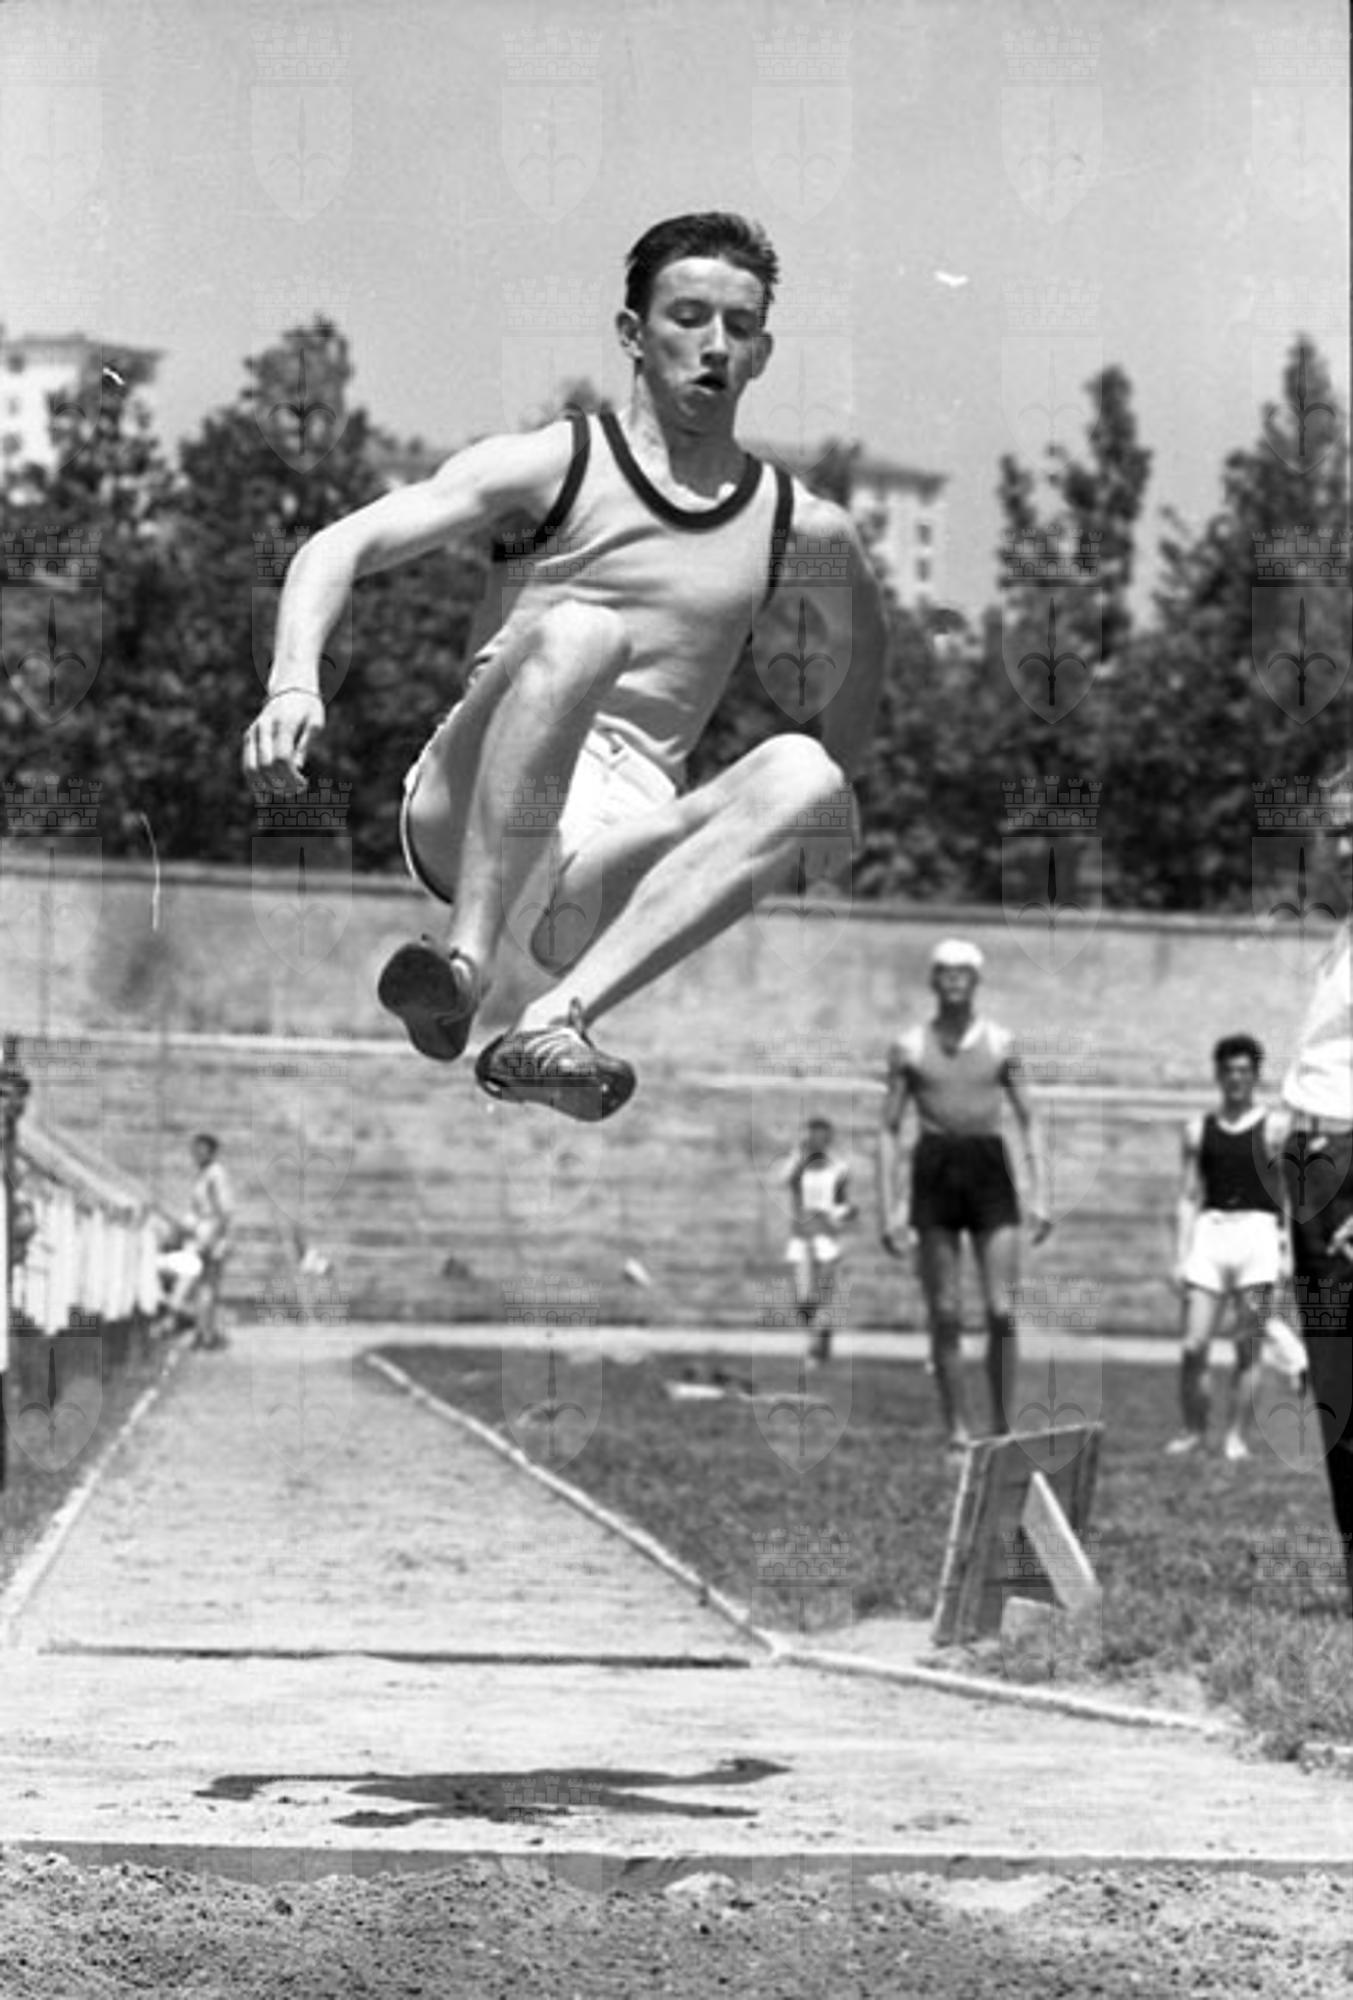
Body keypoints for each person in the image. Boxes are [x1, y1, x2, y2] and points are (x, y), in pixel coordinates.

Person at [242, 212, 887, 1121]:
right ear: (632, 334)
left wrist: (827, 799)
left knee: (807, 776)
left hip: (609, 851)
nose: (714, 345)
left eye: (738, 327)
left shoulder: (797, 524)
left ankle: (553, 1024)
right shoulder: (559, 464)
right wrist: (293, 679)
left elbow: (865, 645)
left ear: (762, 354)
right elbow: (341, 544)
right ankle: (463, 965)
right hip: (477, 800)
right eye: (688, 318)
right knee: (584, 634)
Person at [877, 938, 1051, 1454]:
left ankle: (1001, 1426)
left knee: (1001, 1309)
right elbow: (888, 1128)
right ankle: (957, 1429)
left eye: (963, 972)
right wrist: (889, 1206)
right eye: (945, 971)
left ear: (976, 981)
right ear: (933, 980)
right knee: (946, 1310)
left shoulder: (1001, 1043)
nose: (954, 980)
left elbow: (1030, 1117)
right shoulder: (909, 1047)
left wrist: (1041, 1192)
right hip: (934, 1168)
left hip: (988, 1169)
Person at [1278, 768, 1353, 1614]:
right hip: (1316, 1171)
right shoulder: (1341, 937)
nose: (1344, 846)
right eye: (1336, 829)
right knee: (1333, 1380)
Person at [1167, 1034, 1291, 1462]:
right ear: (1218, 1074)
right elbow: (1187, 1196)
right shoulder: (1197, 1130)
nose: (1236, 1078)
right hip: (1211, 1232)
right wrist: (1180, 1254)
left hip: (1258, 1233)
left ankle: (1236, 1436)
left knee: (1247, 1345)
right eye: (1229, 1071)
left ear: (1255, 1076)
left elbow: (1289, 1195)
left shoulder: (1275, 1129)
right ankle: (1193, 1431)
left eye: (1244, 1071)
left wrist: (1286, 1252)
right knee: (1193, 1345)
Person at [779, 1114, 855, 1365]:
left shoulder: (838, 1166)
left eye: (823, 1136)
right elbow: (783, 1180)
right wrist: (799, 1156)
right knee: (803, 1298)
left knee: (823, 1293)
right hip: (801, 1236)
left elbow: (841, 1201)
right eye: (813, 1136)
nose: (818, 1141)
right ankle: (818, 1336)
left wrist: (844, 1213)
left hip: (826, 1236)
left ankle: (817, 1345)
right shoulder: (797, 1161)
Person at [157, 1134, 232, 1349]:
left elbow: (224, 1210)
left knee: (201, 1283)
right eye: (195, 1150)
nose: (197, 1154)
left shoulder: (216, 1174)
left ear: (211, 1152)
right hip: (200, 1232)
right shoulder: (202, 1175)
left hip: (208, 1234)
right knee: (203, 1287)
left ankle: (179, 1321)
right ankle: (203, 1332)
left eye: (202, 1150)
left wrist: (216, 1237)